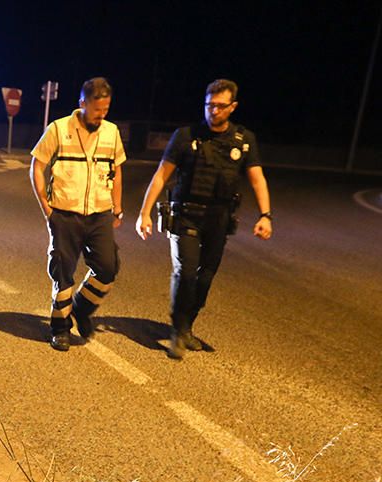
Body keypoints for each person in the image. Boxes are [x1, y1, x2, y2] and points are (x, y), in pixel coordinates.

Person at [134, 79, 273, 359]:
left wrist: (265, 215)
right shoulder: (186, 136)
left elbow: (257, 178)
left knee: (205, 277)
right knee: (185, 272)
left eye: (221, 106)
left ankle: (186, 326)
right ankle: (178, 330)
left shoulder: (244, 140)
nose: (214, 111)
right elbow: (162, 174)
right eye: (209, 105)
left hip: (219, 218)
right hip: (186, 214)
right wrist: (144, 213)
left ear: (232, 107)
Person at [29, 77, 125, 352]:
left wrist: (117, 207)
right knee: (63, 273)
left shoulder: (111, 132)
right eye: (97, 109)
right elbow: (37, 167)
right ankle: (60, 328)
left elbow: (117, 171)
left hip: (100, 214)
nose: (102, 115)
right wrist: (47, 209)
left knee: (108, 268)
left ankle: (82, 309)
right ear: (82, 103)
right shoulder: (58, 129)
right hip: (65, 214)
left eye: (106, 109)